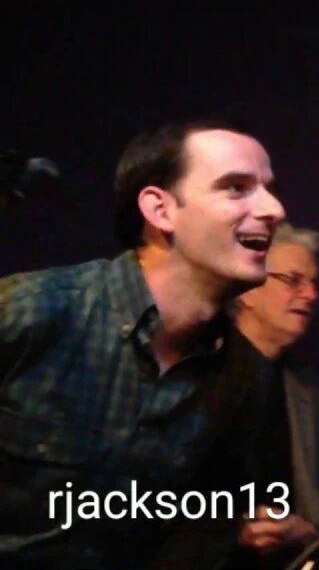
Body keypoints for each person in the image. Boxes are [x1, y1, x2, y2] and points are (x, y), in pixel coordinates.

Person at [0, 121, 285, 569]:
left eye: (269, 189)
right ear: (160, 209)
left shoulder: (243, 377)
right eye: (236, 188)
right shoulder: (30, 312)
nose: (274, 209)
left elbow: (200, 531)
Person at [231, 221, 319, 569]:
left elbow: (314, 510)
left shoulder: (311, 393)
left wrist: (304, 532)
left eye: (313, 283)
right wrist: (231, 529)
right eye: (293, 280)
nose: (311, 295)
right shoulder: (196, 374)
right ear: (246, 289)